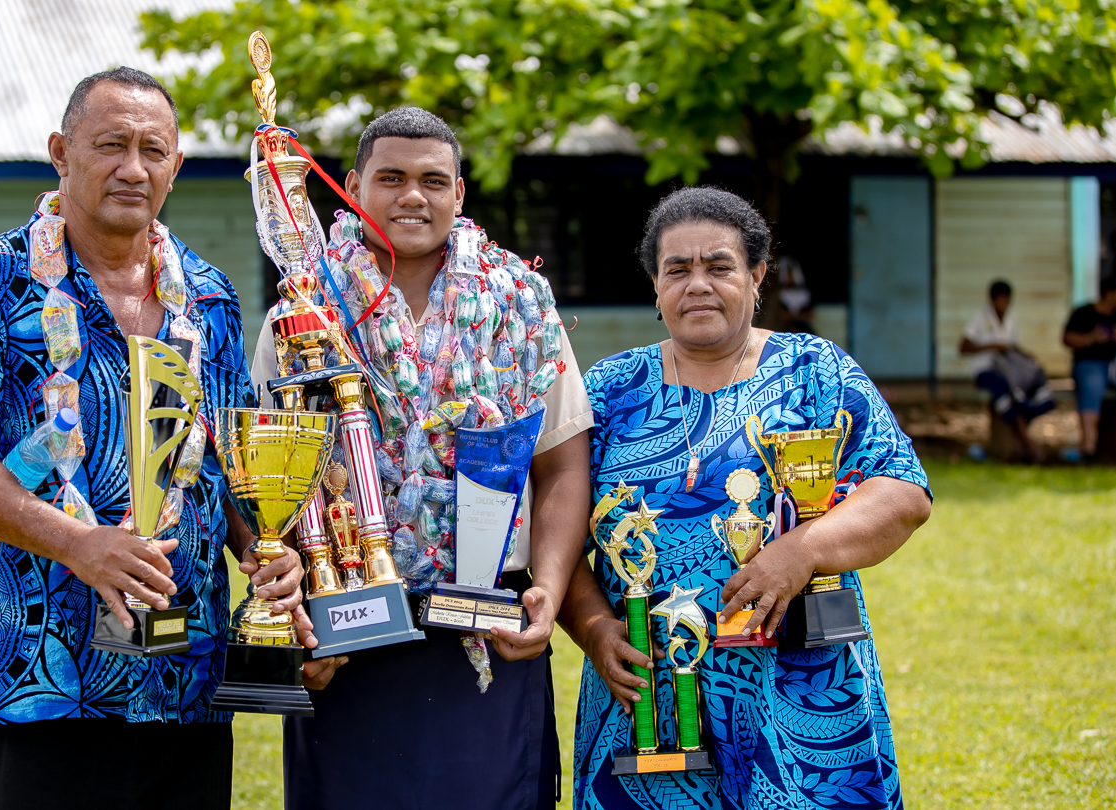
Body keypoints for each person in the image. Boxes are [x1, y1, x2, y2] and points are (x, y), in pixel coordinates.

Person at [0, 68, 308, 809]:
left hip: (186, 675)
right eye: (110, 144)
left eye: (154, 150)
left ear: (176, 169)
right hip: (40, 673)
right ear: (61, 152)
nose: (133, 167)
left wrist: (262, 553)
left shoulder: (209, 297)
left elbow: (220, 461)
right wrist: (77, 544)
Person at [251, 108, 594, 810]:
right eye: (392, 178)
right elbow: (267, 481)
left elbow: (561, 461)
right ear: (351, 186)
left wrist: (550, 591)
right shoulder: (303, 303)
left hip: (486, 626)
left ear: (459, 194)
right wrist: (294, 610)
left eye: (434, 181)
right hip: (346, 630)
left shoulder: (519, 301)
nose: (414, 196)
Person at [560, 187, 932, 809]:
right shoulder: (606, 391)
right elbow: (556, 531)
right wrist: (597, 629)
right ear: (655, 286)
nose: (697, 284)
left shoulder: (817, 371)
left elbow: (902, 492)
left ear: (757, 276)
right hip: (647, 700)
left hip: (801, 687)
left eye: (719, 266)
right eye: (676, 269)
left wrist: (802, 552)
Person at [960, 279, 1055, 461]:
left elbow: (1012, 347)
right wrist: (991, 346)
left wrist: (1027, 356)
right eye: (1001, 300)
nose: (1004, 304)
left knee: (1033, 383)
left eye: (1007, 300)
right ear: (992, 300)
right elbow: (963, 347)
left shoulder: (1011, 319)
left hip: (1007, 371)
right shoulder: (980, 319)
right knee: (1007, 392)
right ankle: (1027, 443)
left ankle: (1019, 441)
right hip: (985, 371)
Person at [1062, 275, 1116, 459]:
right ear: (1109, 294)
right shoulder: (1084, 312)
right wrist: (1091, 338)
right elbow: (1067, 338)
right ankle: (1088, 447)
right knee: (1092, 384)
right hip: (1089, 363)